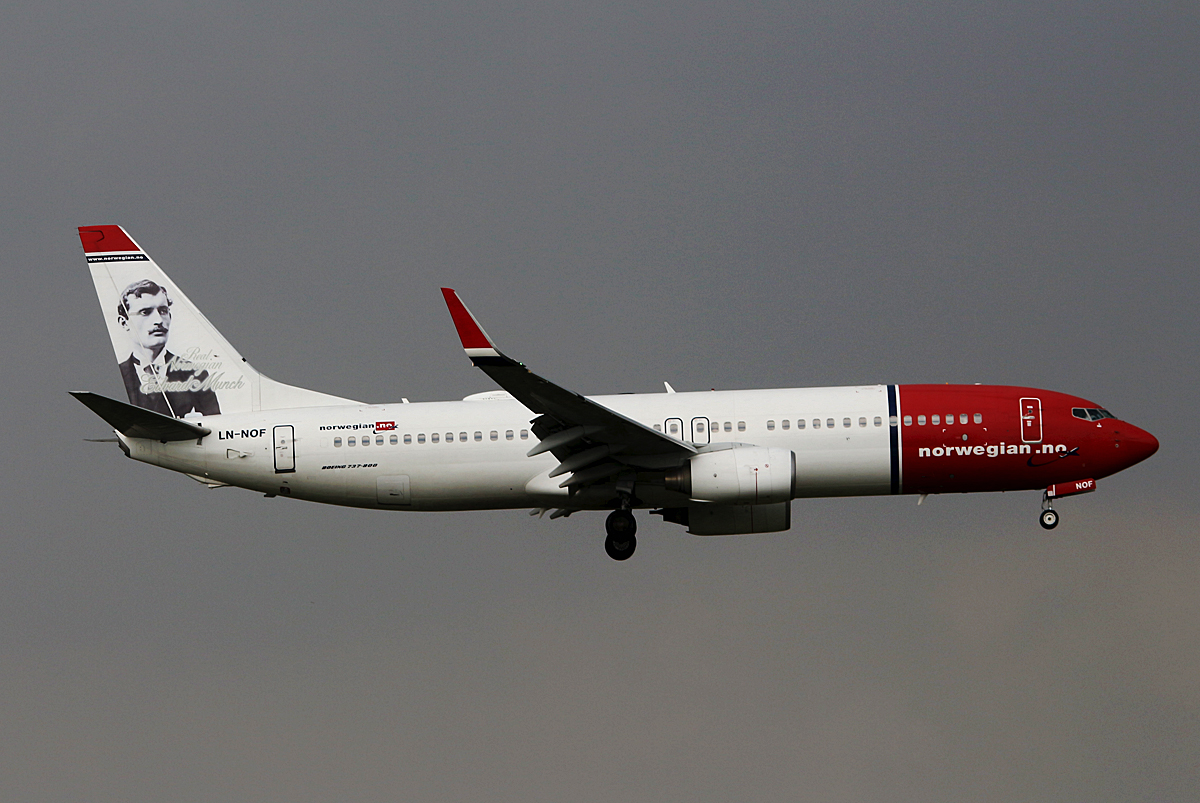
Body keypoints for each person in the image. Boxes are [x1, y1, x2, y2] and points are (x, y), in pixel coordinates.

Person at [116, 279, 221, 417]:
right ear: (124, 323)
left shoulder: (195, 374)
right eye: (145, 312)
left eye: (163, 311)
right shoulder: (119, 374)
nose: (159, 320)